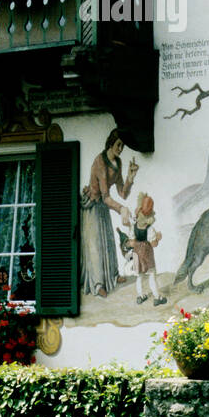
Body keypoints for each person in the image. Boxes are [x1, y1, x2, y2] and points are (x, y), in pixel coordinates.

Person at [80, 129, 138, 297]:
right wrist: (122, 209)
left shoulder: (117, 163)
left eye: (123, 145)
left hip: (104, 205)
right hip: (93, 206)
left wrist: (130, 177)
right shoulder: (100, 162)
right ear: (111, 143)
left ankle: (113, 275)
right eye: (119, 144)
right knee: (96, 244)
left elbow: (122, 193)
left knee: (109, 241)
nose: (121, 148)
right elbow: (105, 197)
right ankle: (98, 285)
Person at [125, 193, 166, 306]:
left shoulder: (133, 227)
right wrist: (158, 238)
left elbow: (132, 242)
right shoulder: (150, 229)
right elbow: (153, 244)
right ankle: (157, 297)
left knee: (139, 276)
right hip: (147, 255)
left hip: (137, 254)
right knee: (152, 275)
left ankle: (140, 296)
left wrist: (135, 245)